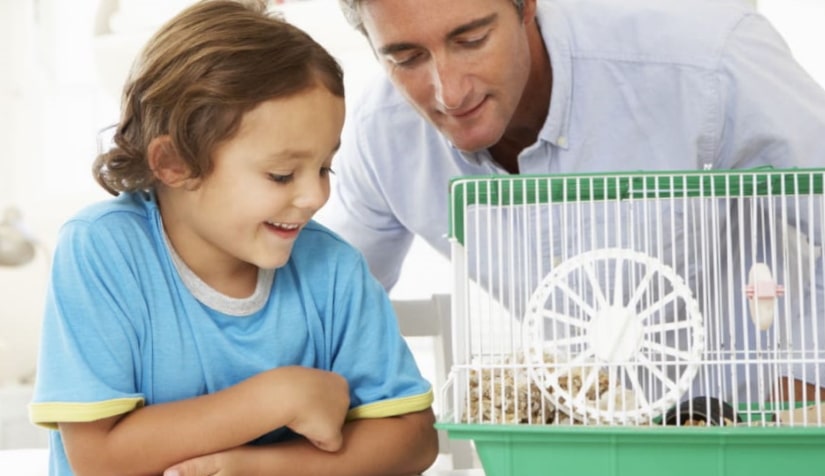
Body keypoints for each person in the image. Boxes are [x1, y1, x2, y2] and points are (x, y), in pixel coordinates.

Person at [324, 0, 825, 402]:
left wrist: (807, 386)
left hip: (755, 427)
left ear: (526, 8)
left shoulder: (706, 61)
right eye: (406, 58)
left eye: (472, 40)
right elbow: (326, 306)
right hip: (577, 439)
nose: (449, 93)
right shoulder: (381, 133)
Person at [29, 1, 438, 475]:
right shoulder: (101, 250)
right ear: (174, 163)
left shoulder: (334, 268)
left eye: (325, 167)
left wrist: (259, 469)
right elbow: (99, 460)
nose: (314, 196)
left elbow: (413, 438)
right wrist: (278, 397)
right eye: (282, 174)